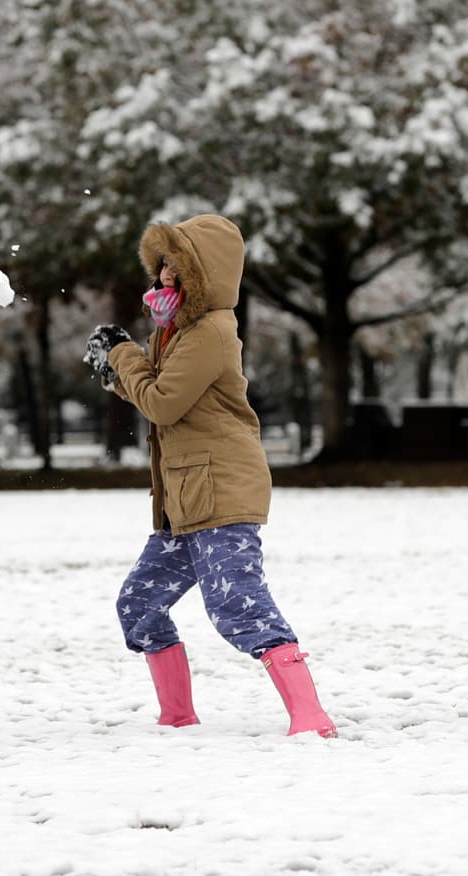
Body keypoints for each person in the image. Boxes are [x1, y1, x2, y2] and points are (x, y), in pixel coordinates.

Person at [83, 214, 336, 738]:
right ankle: (177, 715)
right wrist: (118, 371)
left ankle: (311, 717)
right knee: (140, 603)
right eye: (161, 265)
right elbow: (154, 391)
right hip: (185, 499)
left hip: (221, 489)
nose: (164, 277)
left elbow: (162, 402)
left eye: (176, 267)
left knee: (235, 605)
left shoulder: (211, 332)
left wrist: (122, 355)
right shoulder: (174, 334)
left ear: (205, 274)